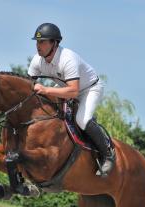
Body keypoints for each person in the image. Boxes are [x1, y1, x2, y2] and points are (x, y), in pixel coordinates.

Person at [28, 23, 115, 177]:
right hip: (65, 87)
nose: (38, 46)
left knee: (82, 120)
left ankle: (108, 154)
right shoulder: (37, 60)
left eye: (42, 42)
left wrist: (46, 89)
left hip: (89, 89)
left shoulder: (67, 58)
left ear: (54, 43)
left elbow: (74, 91)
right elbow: (28, 85)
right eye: (37, 42)